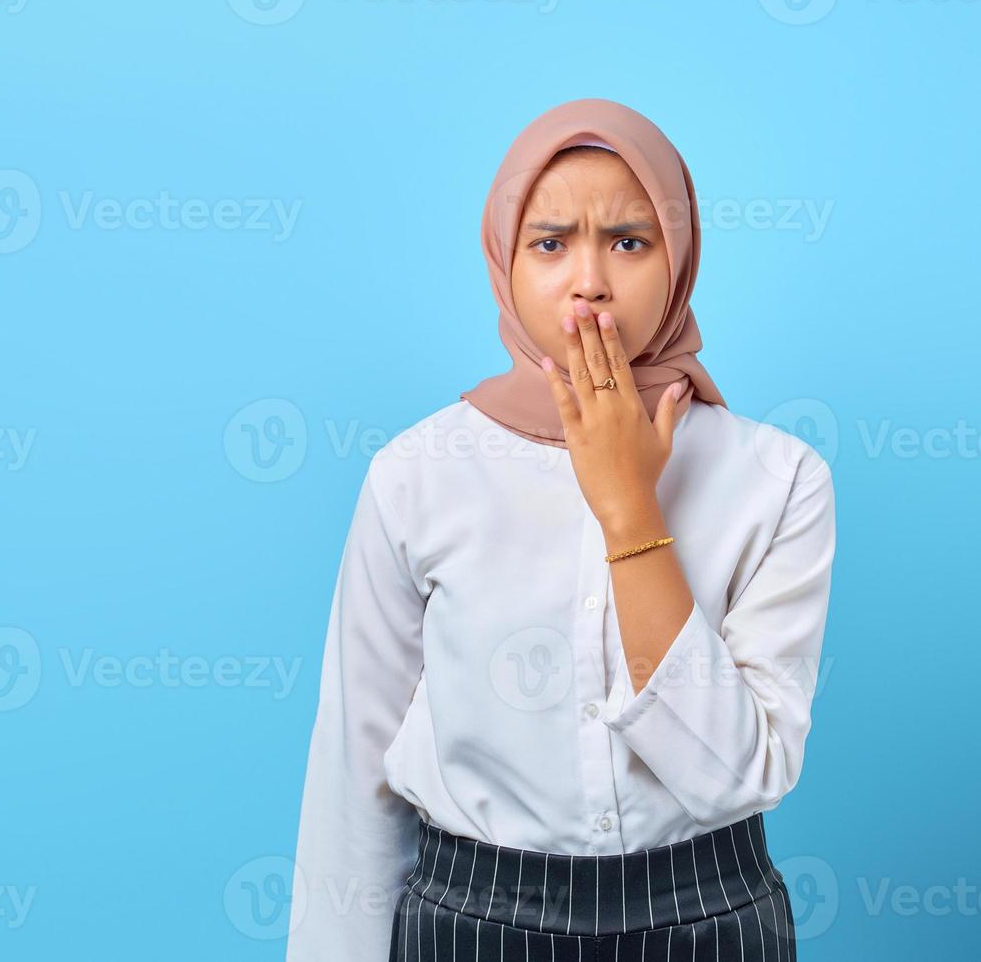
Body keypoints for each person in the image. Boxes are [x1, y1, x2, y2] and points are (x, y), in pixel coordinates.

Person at [286, 97, 835, 961]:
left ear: (679, 258)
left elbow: (736, 776)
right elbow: (356, 773)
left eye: (628, 240)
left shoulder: (778, 479)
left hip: (707, 920)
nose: (589, 281)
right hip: (471, 922)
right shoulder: (416, 474)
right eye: (550, 243)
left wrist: (628, 508)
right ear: (504, 260)